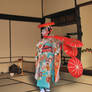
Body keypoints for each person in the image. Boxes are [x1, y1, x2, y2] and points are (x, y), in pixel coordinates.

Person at [35, 22, 61, 92]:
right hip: (42, 58)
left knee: (48, 73)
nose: (42, 33)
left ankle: (47, 87)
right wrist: (42, 43)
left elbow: (56, 49)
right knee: (41, 72)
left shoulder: (52, 40)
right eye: (42, 31)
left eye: (43, 31)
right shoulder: (41, 40)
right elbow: (37, 47)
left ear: (47, 31)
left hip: (49, 59)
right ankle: (41, 87)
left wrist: (58, 44)